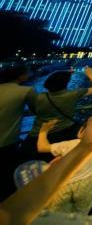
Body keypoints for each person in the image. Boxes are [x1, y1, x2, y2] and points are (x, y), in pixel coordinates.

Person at [24, 68, 92, 159]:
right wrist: (90, 74)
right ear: (66, 84)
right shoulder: (73, 94)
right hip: (65, 132)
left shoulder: (40, 97)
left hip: (39, 133)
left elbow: (34, 111)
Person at [37, 119, 92, 214]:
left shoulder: (70, 144)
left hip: (66, 182)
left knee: (53, 209)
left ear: (80, 131)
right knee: (82, 210)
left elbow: (42, 147)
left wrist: (43, 131)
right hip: (88, 182)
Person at [0, 65, 37, 200]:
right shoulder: (26, 90)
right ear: (21, 76)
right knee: (7, 180)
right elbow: (36, 109)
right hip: (6, 142)